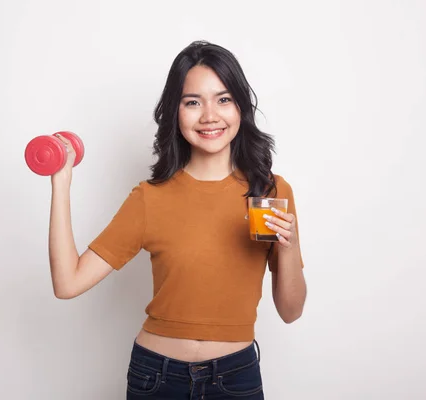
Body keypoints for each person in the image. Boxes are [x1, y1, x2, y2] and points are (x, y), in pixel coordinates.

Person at [48, 40, 307, 399]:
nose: (209, 115)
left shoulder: (270, 192)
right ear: (175, 111)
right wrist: (61, 182)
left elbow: (291, 311)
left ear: (240, 108)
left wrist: (289, 248)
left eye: (224, 99)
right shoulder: (150, 198)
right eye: (192, 102)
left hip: (236, 377)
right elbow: (68, 283)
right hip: (155, 377)